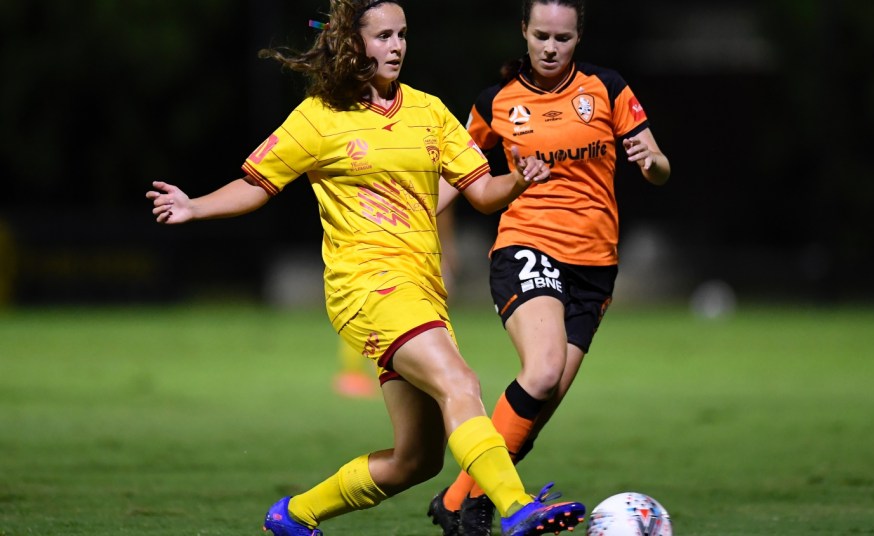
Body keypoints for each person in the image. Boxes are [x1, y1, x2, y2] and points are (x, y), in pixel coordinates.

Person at [145, 1, 586, 535]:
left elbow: (483, 194)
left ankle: (295, 515)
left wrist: (517, 178)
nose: (396, 46)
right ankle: (516, 507)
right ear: (354, 44)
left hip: (421, 293)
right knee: (459, 382)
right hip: (366, 289)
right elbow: (257, 183)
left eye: (402, 35)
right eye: (382, 36)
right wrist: (195, 205)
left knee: (416, 460)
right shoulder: (320, 116)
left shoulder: (428, 111)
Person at [427, 1, 671, 535]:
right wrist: (416, 214)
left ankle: (458, 500)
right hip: (527, 246)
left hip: (596, 266)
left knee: (544, 397)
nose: (550, 47)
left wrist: (650, 163)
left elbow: (660, 165)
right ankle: (483, 506)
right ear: (524, 32)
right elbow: (460, 174)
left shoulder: (607, 88)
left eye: (562, 38)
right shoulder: (496, 102)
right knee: (540, 371)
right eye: (541, 35)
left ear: (578, 37)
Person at [332, 208, 457, 400]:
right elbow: (439, 212)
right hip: (402, 259)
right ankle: (362, 371)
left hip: (394, 255)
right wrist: (447, 250)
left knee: (373, 313)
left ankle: (366, 370)